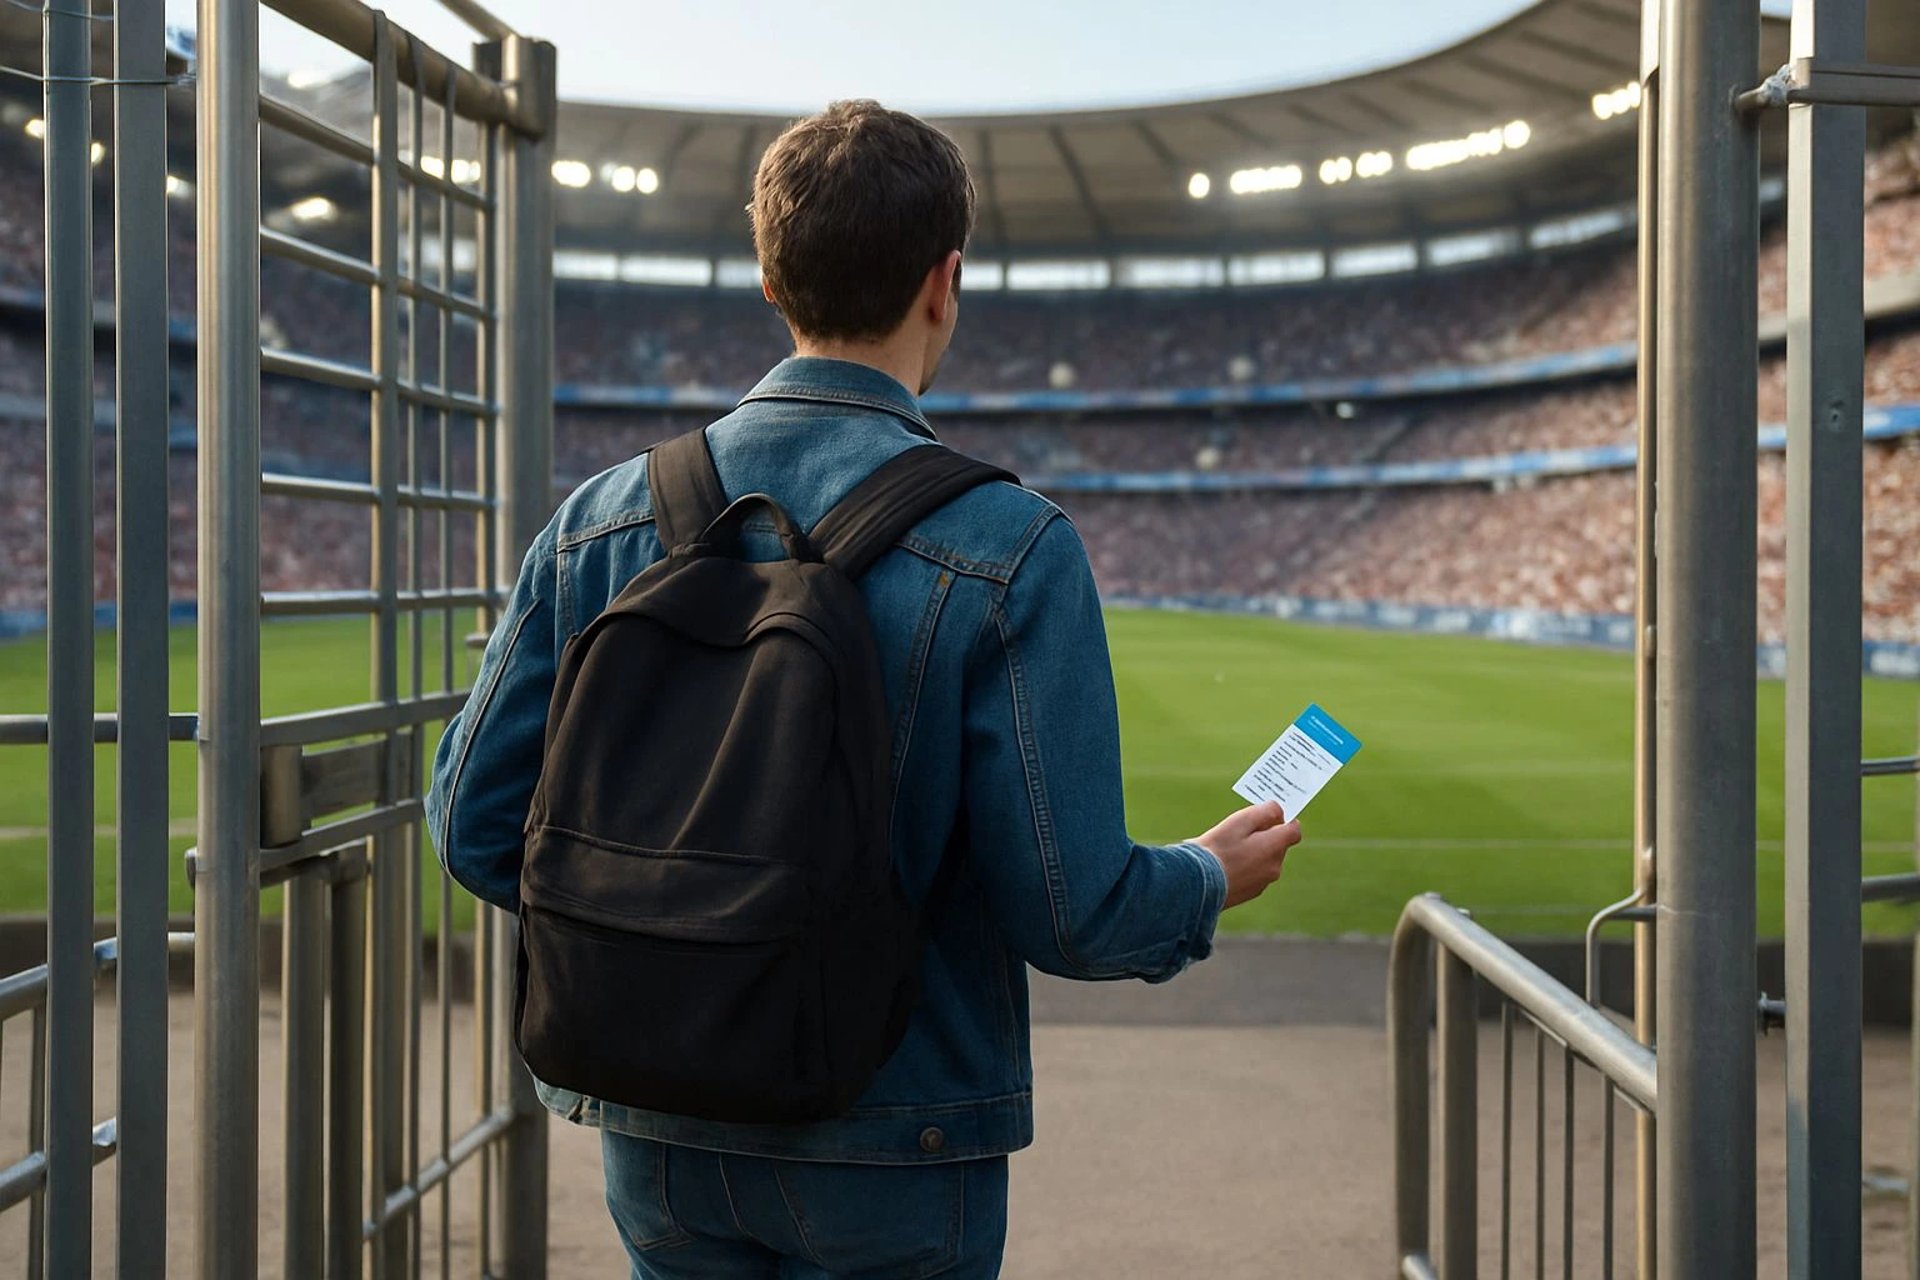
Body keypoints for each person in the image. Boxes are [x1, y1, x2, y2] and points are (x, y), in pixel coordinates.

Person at [426, 98, 1301, 1280]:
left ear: (769, 280)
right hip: (899, 1135)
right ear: (945, 281)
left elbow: (477, 826)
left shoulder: (597, 522)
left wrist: (676, 950)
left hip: (654, 1128)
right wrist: (1205, 875)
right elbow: (1074, 908)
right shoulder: (1009, 544)